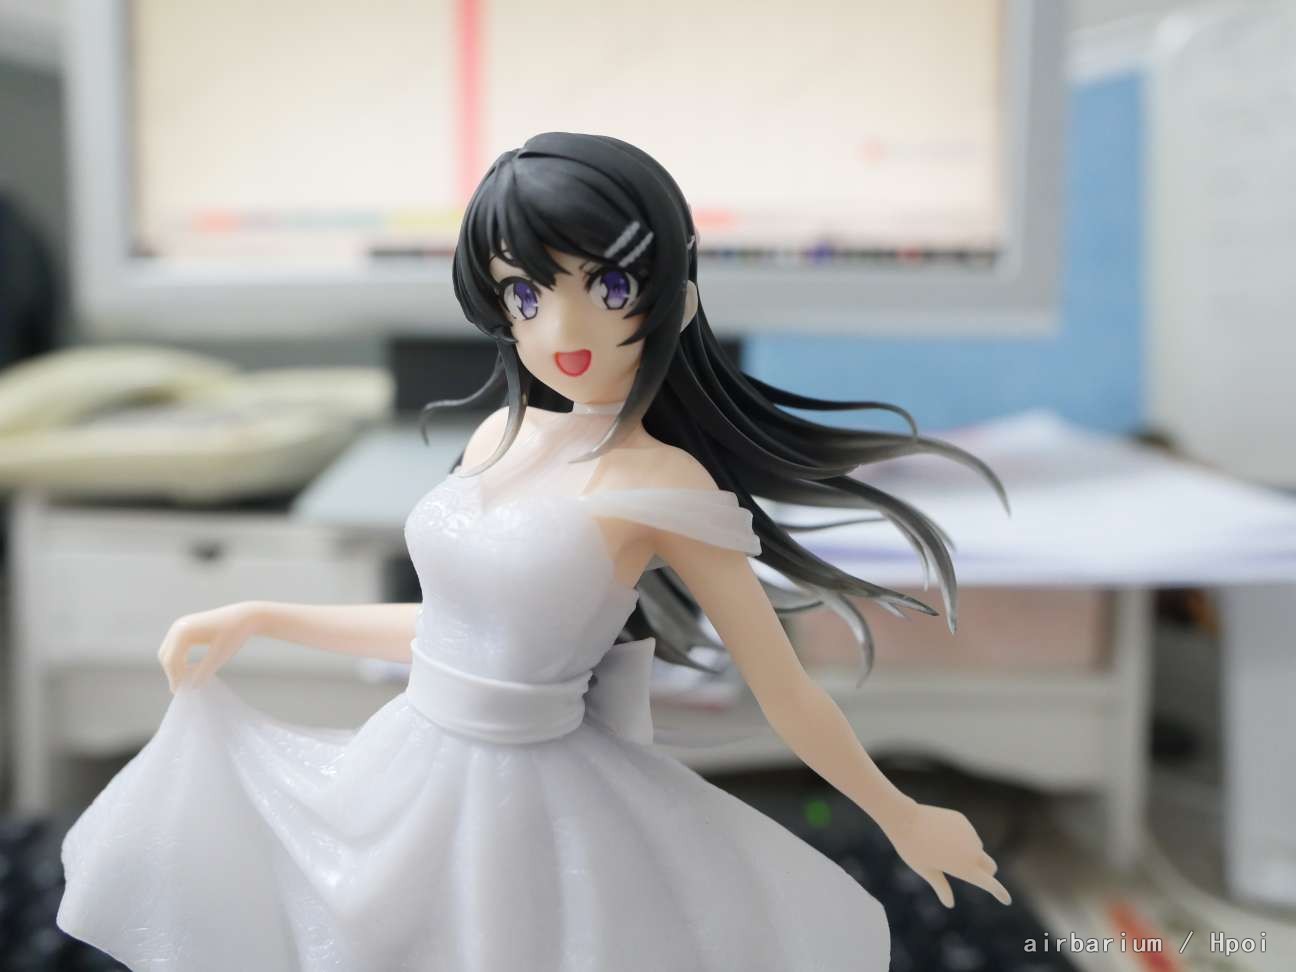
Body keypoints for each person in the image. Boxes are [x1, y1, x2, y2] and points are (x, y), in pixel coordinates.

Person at [57, 132, 1010, 971]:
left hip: (531, 807)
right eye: (525, 291)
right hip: (406, 768)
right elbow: (453, 633)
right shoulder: (498, 437)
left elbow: (784, 689)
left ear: (675, 299)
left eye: (610, 287)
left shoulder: (666, 484)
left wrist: (900, 813)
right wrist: (262, 617)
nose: (564, 331)